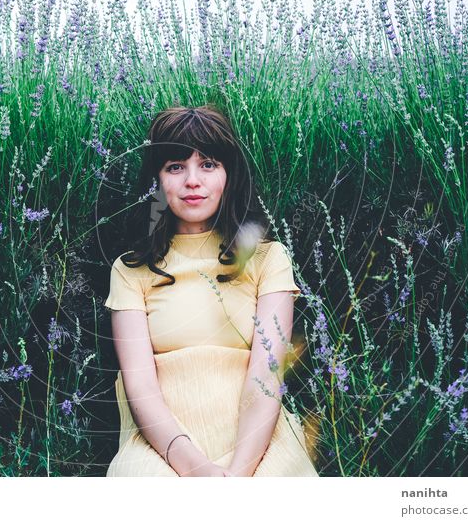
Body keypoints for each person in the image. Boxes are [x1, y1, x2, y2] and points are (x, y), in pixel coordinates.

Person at [104, 104, 319, 477]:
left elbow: (267, 376)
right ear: (157, 180)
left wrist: (238, 473)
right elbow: (140, 386)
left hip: (259, 442)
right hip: (161, 448)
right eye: (175, 167)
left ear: (228, 174)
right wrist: (196, 468)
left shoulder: (267, 258)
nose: (192, 180)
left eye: (208, 164)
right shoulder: (130, 271)